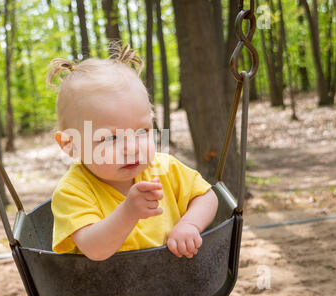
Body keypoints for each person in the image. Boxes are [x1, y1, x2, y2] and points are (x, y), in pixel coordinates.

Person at [47, 42, 218, 261]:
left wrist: (189, 224)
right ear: (70, 144)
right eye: (111, 137)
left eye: (142, 131)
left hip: (172, 281)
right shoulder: (73, 191)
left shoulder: (164, 168)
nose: (132, 148)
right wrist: (128, 212)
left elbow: (207, 196)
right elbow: (95, 249)